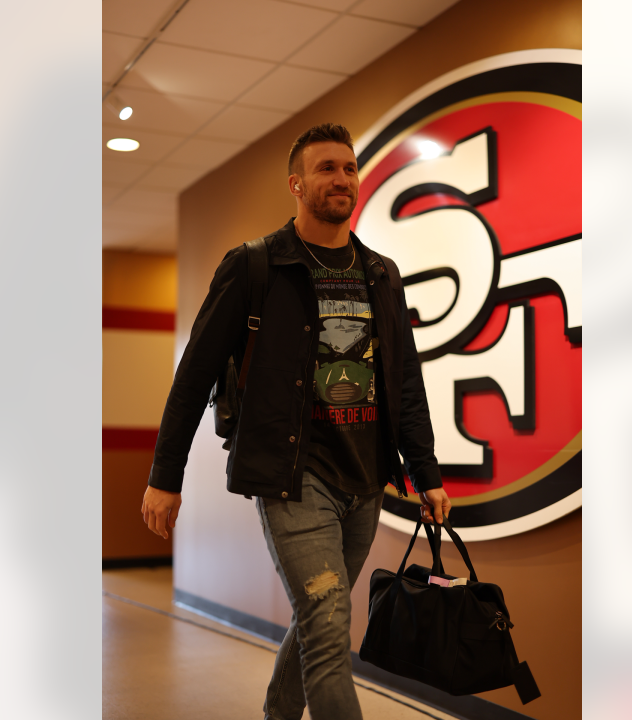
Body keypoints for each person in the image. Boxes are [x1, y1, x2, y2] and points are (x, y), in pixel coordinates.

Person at [140, 123, 450, 720]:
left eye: (349, 168)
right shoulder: (255, 266)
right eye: (326, 168)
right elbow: (193, 375)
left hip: (366, 481)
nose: (341, 179)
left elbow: (405, 383)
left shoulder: (381, 274)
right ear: (297, 183)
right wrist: (165, 474)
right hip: (293, 476)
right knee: (330, 623)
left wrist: (426, 471)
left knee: (321, 619)